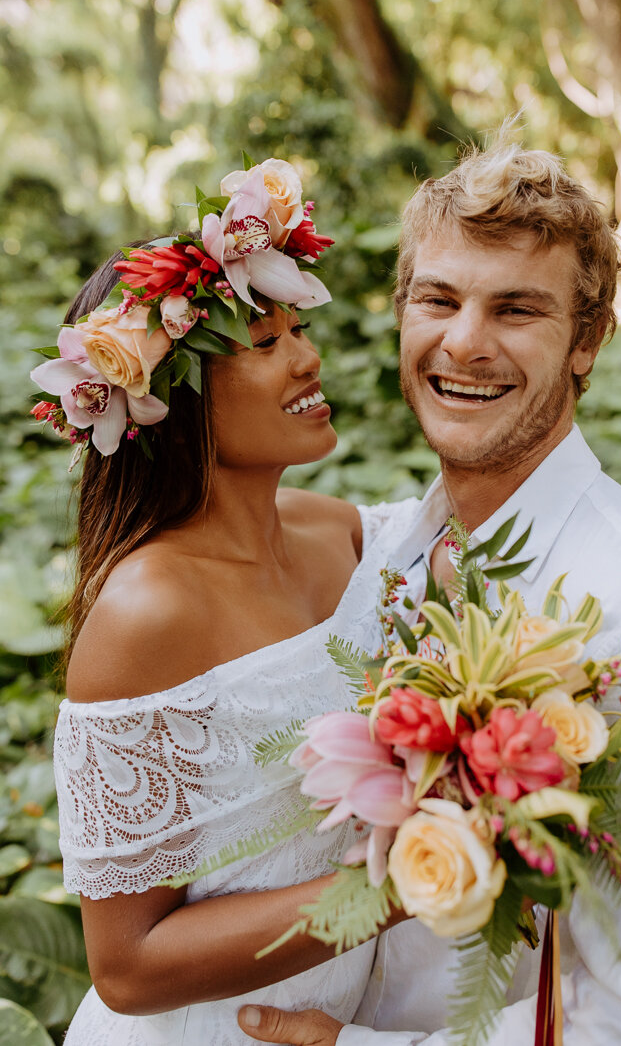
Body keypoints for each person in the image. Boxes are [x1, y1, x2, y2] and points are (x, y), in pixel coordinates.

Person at [237, 140, 621, 1045]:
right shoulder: (385, 555)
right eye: (437, 298)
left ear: (585, 343)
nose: (463, 341)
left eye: (515, 309)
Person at [30, 158, 413, 1044]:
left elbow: (471, 541)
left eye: (297, 332)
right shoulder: (146, 614)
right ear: (174, 398)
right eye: (267, 344)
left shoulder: (336, 533)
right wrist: (395, 889)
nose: (309, 357)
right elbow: (125, 968)